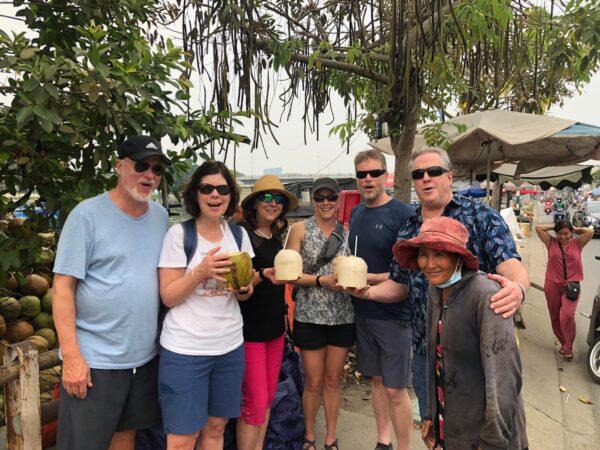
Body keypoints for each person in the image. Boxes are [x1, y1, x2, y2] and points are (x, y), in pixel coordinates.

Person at [352, 147, 529, 442]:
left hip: (475, 350)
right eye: (418, 174)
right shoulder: (409, 225)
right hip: (426, 348)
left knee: (486, 427)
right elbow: (399, 285)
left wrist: (518, 289)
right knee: (437, 431)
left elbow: (511, 266)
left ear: (449, 176)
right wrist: (365, 293)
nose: (425, 179)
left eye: (433, 171)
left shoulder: (480, 216)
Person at [53, 135, 171, 450]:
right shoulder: (86, 215)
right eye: (142, 165)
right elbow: (63, 287)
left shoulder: (160, 217)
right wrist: (73, 357)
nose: (150, 175)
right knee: (83, 444)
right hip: (95, 361)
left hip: (142, 359)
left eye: (157, 170)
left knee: (126, 437)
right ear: (119, 166)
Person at [392, 217, 528, 450]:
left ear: (459, 258)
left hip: (489, 437)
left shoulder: (485, 295)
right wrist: (431, 415)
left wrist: (493, 441)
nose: (429, 263)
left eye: (440, 254)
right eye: (424, 254)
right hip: (455, 429)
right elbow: (436, 363)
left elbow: (504, 379)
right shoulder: (436, 290)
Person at [158, 161, 254, 450]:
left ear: (230, 195)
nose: (215, 195)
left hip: (228, 346)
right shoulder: (179, 236)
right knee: (182, 439)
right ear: (195, 195)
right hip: (186, 350)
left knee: (216, 428)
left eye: (222, 189)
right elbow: (168, 296)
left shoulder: (238, 236)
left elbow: (245, 293)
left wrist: (243, 287)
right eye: (207, 188)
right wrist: (200, 271)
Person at [346, 149, 414, 450]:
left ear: (385, 175)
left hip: (394, 313)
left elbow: (410, 271)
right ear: (357, 179)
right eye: (362, 175)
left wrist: (371, 279)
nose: (368, 179)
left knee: (395, 389)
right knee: (375, 380)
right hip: (363, 311)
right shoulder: (357, 214)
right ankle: (382, 441)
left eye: (374, 173)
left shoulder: (403, 214)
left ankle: (403, 446)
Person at [285, 177, 354, 450]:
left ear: (338, 200)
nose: (326, 202)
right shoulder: (299, 229)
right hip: (309, 314)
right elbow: (288, 272)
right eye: (319, 197)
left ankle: (331, 438)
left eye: (331, 197)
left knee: (333, 380)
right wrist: (319, 281)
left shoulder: (348, 232)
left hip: (342, 315)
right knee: (313, 381)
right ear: (312, 200)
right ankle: (309, 435)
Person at [236, 175, 298, 450]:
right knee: (255, 402)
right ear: (254, 204)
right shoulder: (240, 235)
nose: (274, 204)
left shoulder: (275, 237)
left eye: (279, 199)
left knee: (268, 398)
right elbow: (239, 283)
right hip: (249, 331)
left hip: (274, 331)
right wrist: (263, 274)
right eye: (267, 198)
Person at [535, 220, 594, 360]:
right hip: (552, 284)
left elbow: (590, 231)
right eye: (559, 234)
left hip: (572, 285)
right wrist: (553, 226)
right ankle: (564, 343)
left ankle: (568, 347)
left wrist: (576, 228)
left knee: (567, 315)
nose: (563, 237)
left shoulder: (577, 243)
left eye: (566, 233)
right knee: (555, 316)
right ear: (556, 233)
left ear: (571, 233)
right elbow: (538, 227)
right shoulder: (551, 242)